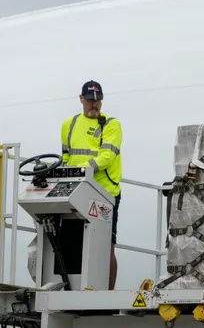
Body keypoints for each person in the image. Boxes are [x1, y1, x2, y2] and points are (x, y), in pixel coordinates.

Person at [60, 80, 123, 290]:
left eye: (98, 101)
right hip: (76, 191)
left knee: (106, 245)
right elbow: (66, 157)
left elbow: (107, 156)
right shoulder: (68, 125)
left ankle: (107, 294)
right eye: (90, 100)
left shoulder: (111, 124)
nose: (94, 105)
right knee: (72, 242)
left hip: (105, 192)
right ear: (81, 99)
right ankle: (74, 289)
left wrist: (83, 170)